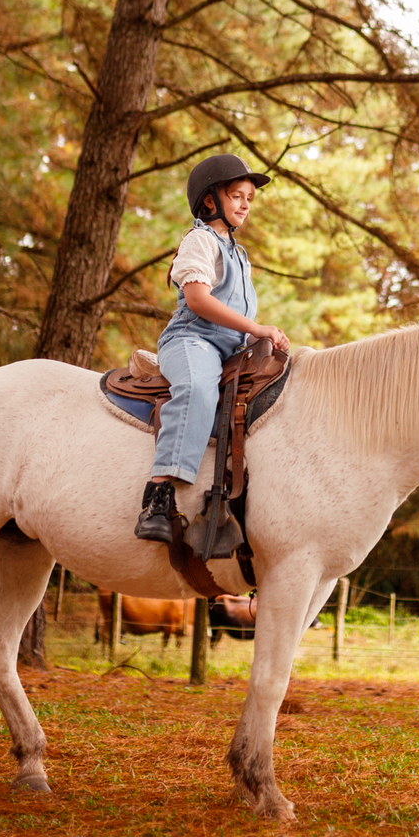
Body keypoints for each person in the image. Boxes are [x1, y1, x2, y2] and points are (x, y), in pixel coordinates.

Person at [133, 153, 289, 544]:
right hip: (192, 339)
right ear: (210, 200)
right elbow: (199, 300)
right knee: (198, 389)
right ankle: (158, 497)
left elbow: (238, 313)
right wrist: (255, 327)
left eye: (249, 198)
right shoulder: (200, 240)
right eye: (237, 196)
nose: (245, 205)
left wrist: (259, 338)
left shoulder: (239, 254)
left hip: (228, 350)